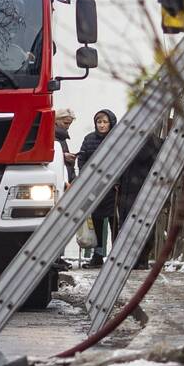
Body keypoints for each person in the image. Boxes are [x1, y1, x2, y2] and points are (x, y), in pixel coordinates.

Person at [77, 109, 119, 268]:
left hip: (113, 187)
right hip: (94, 187)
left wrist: (118, 181)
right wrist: (85, 179)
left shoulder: (117, 140)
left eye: (105, 122)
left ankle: (116, 254)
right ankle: (98, 255)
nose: (101, 125)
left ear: (111, 123)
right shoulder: (89, 139)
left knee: (115, 222)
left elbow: (121, 161)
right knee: (96, 221)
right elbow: (82, 159)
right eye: (99, 122)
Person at [116, 131, 163, 269]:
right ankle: (132, 258)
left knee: (141, 225)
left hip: (142, 188)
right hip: (128, 188)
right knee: (128, 224)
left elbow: (141, 156)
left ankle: (140, 259)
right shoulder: (132, 138)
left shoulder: (149, 141)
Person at [54, 107, 77, 184]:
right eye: (65, 123)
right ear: (56, 120)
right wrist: (64, 156)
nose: (67, 126)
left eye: (69, 123)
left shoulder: (61, 136)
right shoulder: (54, 135)